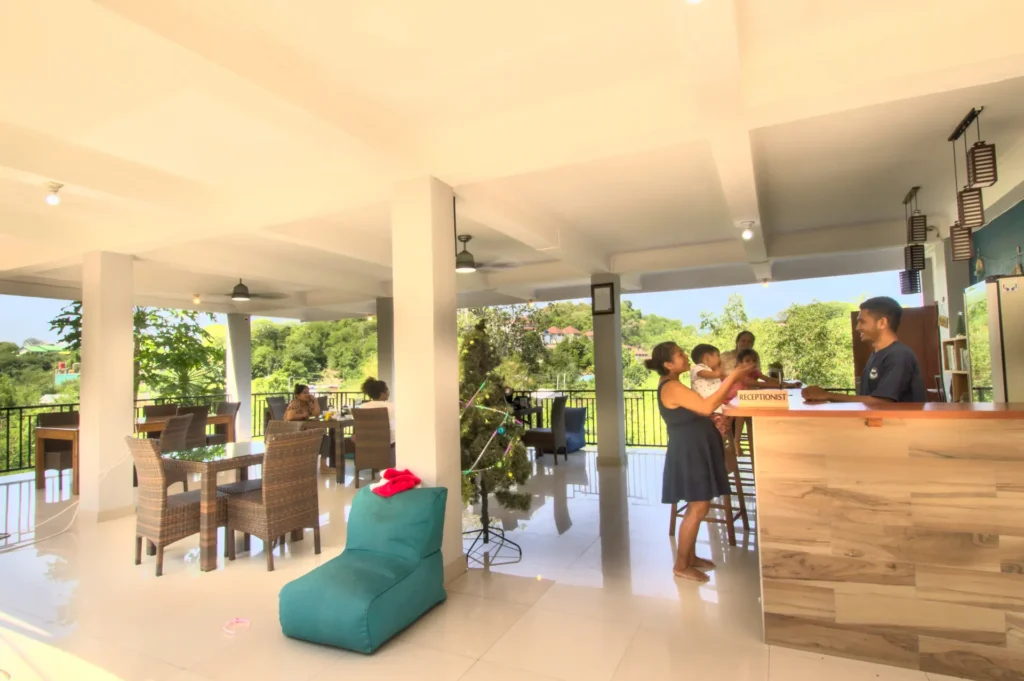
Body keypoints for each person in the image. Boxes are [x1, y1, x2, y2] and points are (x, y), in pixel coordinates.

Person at [646, 341, 751, 584]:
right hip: (690, 450)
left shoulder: (675, 384)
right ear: (668, 364)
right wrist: (733, 375)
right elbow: (706, 407)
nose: (685, 357)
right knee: (699, 506)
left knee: (699, 504)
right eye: (680, 355)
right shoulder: (671, 386)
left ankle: (690, 557)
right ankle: (681, 565)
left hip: (695, 447)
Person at [802, 296, 926, 404]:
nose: (857, 328)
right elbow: (868, 399)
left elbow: (882, 402)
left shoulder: (899, 355)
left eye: (862, 322)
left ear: (882, 322)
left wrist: (828, 395)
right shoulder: (876, 355)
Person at [689, 343, 732, 441]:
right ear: (707, 358)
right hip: (708, 409)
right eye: (717, 356)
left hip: (716, 408)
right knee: (715, 435)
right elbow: (715, 374)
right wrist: (718, 368)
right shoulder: (697, 368)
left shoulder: (710, 370)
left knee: (720, 433)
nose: (719, 359)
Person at [356, 377, 396, 444]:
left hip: (367, 444)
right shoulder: (392, 406)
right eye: (387, 391)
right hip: (388, 444)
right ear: (382, 394)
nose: (389, 393)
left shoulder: (363, 406)